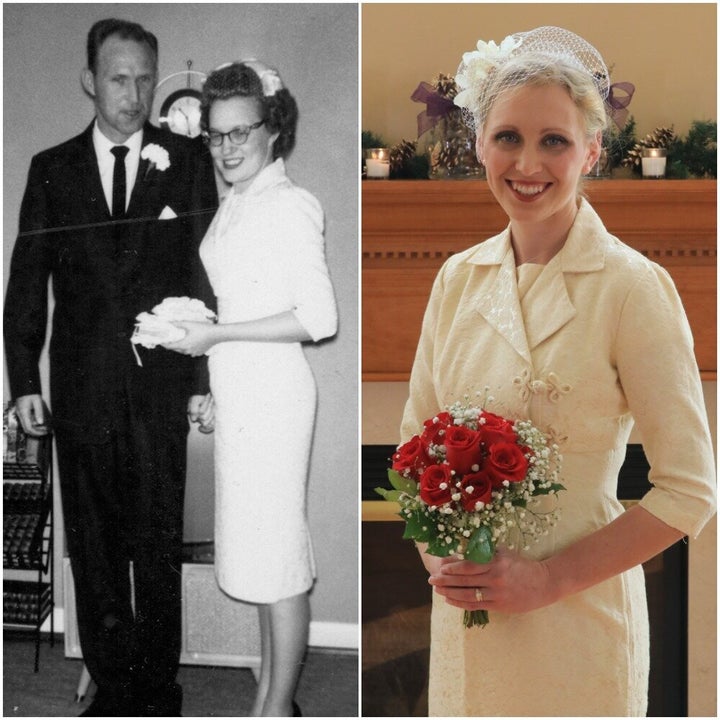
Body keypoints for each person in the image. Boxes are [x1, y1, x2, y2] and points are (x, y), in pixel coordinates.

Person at [399, 26, 716, 716]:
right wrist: (446, 566)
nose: (527, 162)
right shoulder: (456, 280)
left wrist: (545, 581)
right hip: (467, 630)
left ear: (592, 151)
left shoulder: (634, 288)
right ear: (479, 143)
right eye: (508, 136)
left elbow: (691, 491)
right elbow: (410, 455)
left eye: (555, 141)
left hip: (578, 630)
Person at [4, 18, 217, 716]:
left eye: (144, 78)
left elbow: (206, 275)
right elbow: (26, 285)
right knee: (93, 542)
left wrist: (202, 382)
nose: (133, 93)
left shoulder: (185, 161)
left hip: (160, 386)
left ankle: (157, 688)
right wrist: (24, 385)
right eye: (119, 78)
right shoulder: (52, 168)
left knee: (157, 538)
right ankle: (113, 684)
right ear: (91, 81)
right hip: (82, 388)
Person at [163, 61, 338, 717]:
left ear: (273, 129)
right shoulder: (238, 201)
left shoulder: (291, 204)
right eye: (215, 135)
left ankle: (272, 708)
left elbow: (319, 320)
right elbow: (239, 304)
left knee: (280, 564)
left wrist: (215, 338)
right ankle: (274, 698)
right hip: (241, 394)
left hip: (274, 402)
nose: (227, 147)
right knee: (262, 563)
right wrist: (212, 373)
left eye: (241, 132)